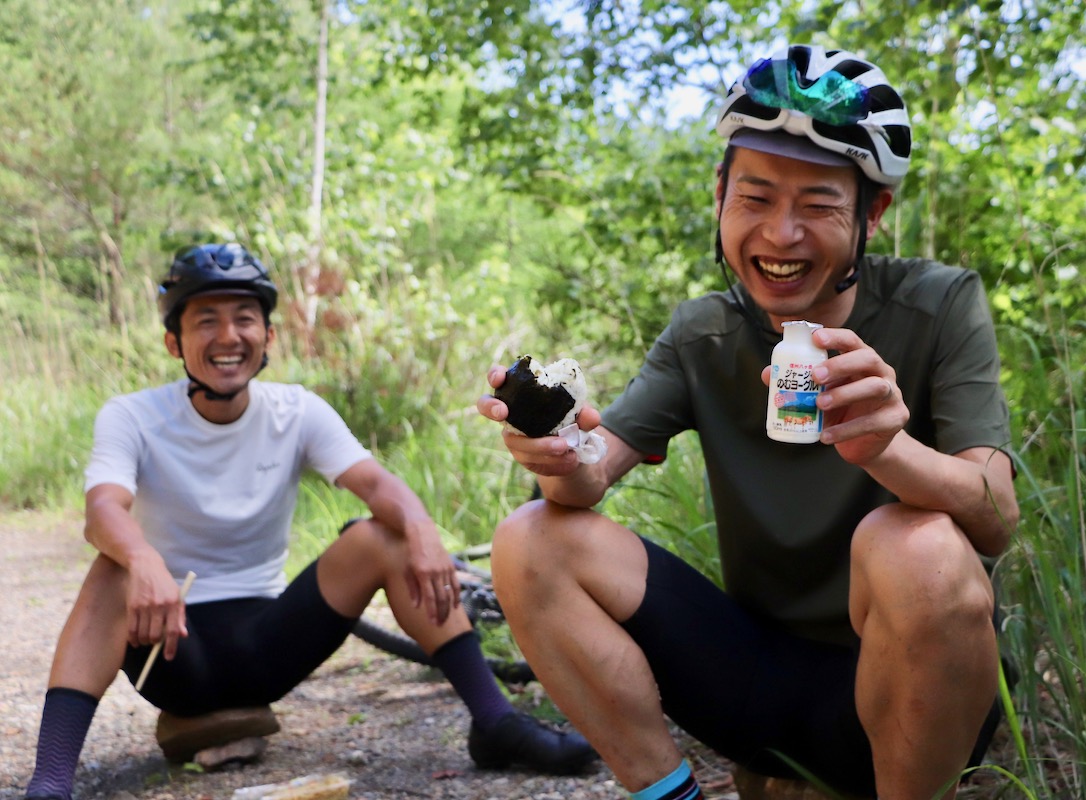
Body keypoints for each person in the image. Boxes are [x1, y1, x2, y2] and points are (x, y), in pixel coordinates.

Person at [477, 44, 1019, 800]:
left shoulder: (939, 306)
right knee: (528, 538)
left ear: (873, 214)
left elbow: (996, 515)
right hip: (755, 679)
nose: (781, 234)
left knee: (914, 543)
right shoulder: (703, 333)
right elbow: (592, 476)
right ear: (720, 194)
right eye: (756, 197)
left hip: (916, 688)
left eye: (820, 205)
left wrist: (890, 451)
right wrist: (560, 453)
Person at [23, 243, 596, 800]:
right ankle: (50, 781)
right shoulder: (132, 416)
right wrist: (144, 558)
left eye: (245, 319)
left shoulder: (295, 410)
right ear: (174, 340)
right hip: (170, 650)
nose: (228, 337)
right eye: (206, 321)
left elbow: (378, 486)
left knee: (385, 534)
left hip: (270, 645)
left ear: (268, 336)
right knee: (113, 566)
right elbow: (102, 510)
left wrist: (422, 532)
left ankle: (495, 721)